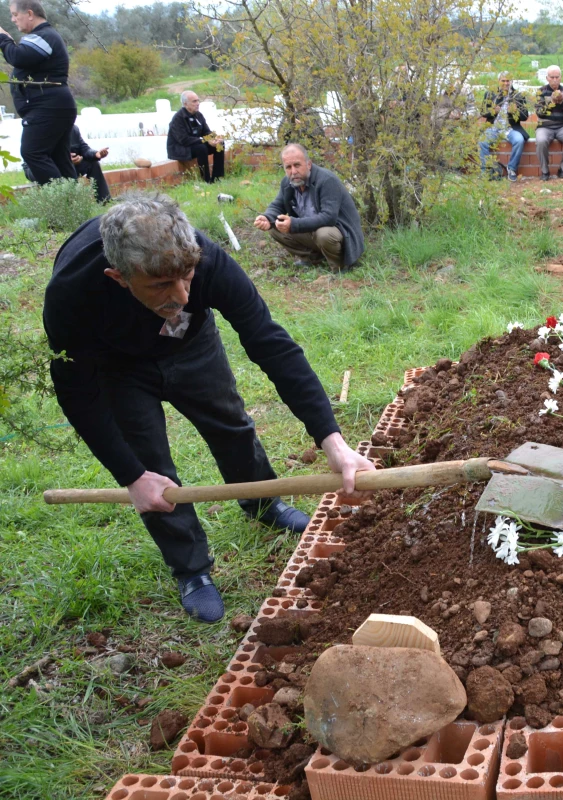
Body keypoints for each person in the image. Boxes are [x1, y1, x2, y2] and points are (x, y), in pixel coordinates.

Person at [44, 193, 376, 623]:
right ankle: (191, 569)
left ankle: (263, 503)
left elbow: (269, 341)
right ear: (118, 277)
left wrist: (331, 439)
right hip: (116, 365)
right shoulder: (72, 292)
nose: (182, 294)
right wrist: (131, 477)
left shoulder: (207, 260)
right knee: (151, 466)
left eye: (186, 276)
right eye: (162, 285)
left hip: (191, 344)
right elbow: (77, 393)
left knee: (231, 423)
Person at [253, 143, 365, 271]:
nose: (293, 171)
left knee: (324, 234)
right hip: (312, 229)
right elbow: (277, 205)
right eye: (288, 167)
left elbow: (329, 218)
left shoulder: (327, 180)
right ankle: (313, 258)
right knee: (275, 226)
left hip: (342, 233)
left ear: (309, 164)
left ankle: (341, 265)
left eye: (297, 165)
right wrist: (266, 217)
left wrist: (294, 224)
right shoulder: (287, 182)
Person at [0, 0, 77, 184]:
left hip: (47, 107)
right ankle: (74, 207)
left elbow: (17, 57)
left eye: (15, 15)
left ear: (29, 14)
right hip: (55, 106)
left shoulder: (43, 36)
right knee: (60, 159)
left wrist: (3, 37)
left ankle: (61, 202)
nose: (13, 19)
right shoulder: (45, 36)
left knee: (32, 152)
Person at [478, 72, 528, 182]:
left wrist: (515, 112)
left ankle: (512, 169)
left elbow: (525, 116)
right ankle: (486, 171)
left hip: (511, 129)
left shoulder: (518, 96)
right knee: (482, 142)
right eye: (503, 80)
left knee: (519, 140)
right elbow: (482, 112)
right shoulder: (490, 94)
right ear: (498, 81)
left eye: (508, 81)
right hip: (493, 128)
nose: (506, 83)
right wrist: (492, 112)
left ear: (511, 82)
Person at [168, 91, 224, 184]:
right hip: (180, 148)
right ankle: (206, 180)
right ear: (185, 104)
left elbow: (206, 131)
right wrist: (205, 140)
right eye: (194, 101)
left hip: (195, 144)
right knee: (201, 148)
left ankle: (217, 177)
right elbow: (184, 140)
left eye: (198, 101)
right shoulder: (178, 118)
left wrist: (215, 138)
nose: (198, 104)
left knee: (219, 145)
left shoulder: (198, 115)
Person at [533, 66, 563, 181]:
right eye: (552, 77)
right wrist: (551, 102)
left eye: (557, 77)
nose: (555, 80)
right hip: (545, 126)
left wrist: (562, 103)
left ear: (561, 78)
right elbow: (540, 113)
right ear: (547, 78)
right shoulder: (540, 92)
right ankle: (545, 171)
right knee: (541, 140)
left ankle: (562, 170)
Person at [69, 124, 110, 203]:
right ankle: (72, 203)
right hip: (56, 168)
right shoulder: (47, 128)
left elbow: (85, 149)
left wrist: (96, 154)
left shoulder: (74, 129)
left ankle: (104, 200)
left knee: (93, 164)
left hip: (74, 165)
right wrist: (66, 159)